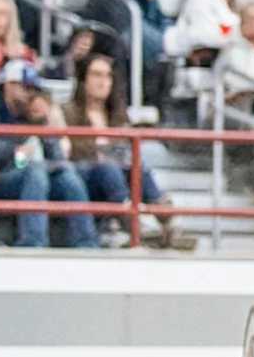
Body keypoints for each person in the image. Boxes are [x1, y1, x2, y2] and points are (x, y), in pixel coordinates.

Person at [59, 51, 191, 248]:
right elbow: (71, 150)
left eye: (107, 76)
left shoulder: (118, 117)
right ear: (84, 79)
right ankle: (134, 224)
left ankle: (168, 221)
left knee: (137, 165)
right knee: (108, 168)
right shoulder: (67, 112)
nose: (102, 82)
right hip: (83, 175)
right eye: (96, 75)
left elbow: (126, 149)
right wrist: (106, 151)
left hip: (117, 172)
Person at [0, 60, 97, 248]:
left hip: (37, 175)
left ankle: (86, 243)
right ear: (9, 86)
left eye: (34, 89)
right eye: (26, 88)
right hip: (0, 177)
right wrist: (20, 142)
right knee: (34, 171)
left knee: (67, 176)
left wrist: (42, 124)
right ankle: (33, 242)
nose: (31, 94)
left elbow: (57, 156)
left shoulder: (35, 115)